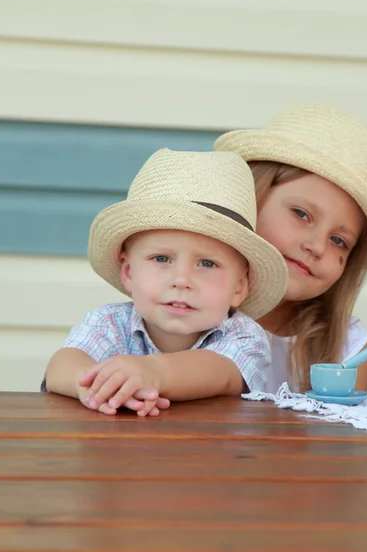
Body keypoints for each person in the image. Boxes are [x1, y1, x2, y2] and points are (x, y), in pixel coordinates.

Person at [43, 148, 288, 416]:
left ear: (238, 288)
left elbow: (221, 373)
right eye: (161, 259)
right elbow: (61, 365)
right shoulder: (110, 323)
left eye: (207, 264)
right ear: (128, 273)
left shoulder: (243, 335)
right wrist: (94, 387)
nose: (182, 280)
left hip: (215, 453)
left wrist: (152, 373)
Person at [214, 103, 367, 394]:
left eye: (339, 241)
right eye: (301, 214)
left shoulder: (346, 350)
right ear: (252, 197)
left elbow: (337, 440)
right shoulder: (180, 308)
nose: (316, 246)